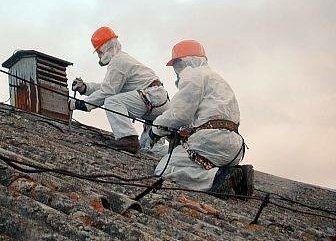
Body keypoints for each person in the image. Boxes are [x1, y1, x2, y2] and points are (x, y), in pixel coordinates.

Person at [149, 40, 253, 196]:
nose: (176, 71)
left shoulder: (193, 75)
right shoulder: (218, 79)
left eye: (176, 65)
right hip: (235, 148)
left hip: (211, 143)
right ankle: (239, 176)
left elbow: (179, 115)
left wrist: (156, 129)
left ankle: (216, 178)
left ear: (183, 62)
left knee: (165, 167)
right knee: (193, 161)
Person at [69, 26, 169, 154]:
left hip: (151, 98)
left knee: (111, 101)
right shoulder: (122, 59)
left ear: (105, 48)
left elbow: (107, 92)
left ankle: (127, 139)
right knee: (149, 150)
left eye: (99, 52)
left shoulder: (118, 62)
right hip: (157, 102)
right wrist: (85, 88)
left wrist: (81, 104)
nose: (99, 56)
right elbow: (109, 87)